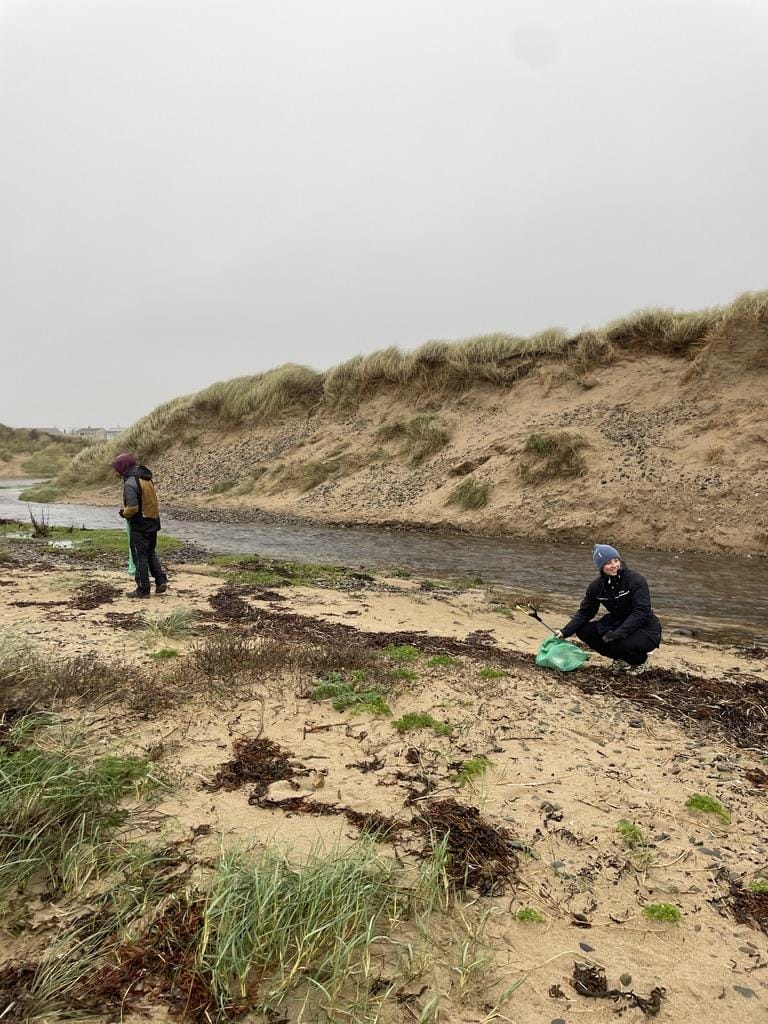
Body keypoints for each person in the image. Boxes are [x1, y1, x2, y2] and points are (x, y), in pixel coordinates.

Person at [555, 544, 661, 674]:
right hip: (616, 622)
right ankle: (620, 658)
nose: (614, 565)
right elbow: (585, 612)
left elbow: (642, 611)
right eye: (608, 563)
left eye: (616, 560)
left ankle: (641, 661)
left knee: (619, 642)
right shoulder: (596, 586)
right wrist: (565, 631)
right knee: (584, 631)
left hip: (646, 627)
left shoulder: (635, 579)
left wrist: (619, 633)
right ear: (601, 566)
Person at [111, 452, 169, 599]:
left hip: (140, 525)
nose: (115, 471)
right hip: (153, 521)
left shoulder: (130, 483)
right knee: (150, 553)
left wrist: (123, 513)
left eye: (116, 468)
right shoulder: (146, 479)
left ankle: (143, 589)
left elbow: (133, 508)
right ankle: (160, 580)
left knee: (139, 556)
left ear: (123, 467)